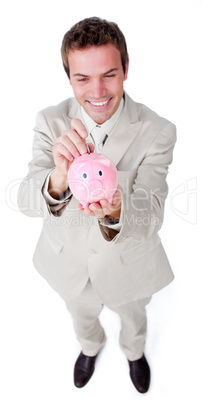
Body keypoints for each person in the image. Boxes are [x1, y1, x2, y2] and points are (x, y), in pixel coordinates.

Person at [18, 17, 176, 394]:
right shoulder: (50, 122)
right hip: (68, 262)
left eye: (109, 74)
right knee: (81, 315)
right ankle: (90, 347)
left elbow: (153, 212)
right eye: (83, 78)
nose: (98, 91)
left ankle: (134, 352)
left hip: (128, 264)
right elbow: (24, 200)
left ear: (125, 70)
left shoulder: (158, 131)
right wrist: (57, 176)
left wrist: (119, 207)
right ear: (68, 77)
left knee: (133, 316)